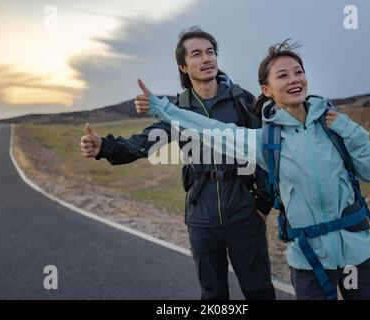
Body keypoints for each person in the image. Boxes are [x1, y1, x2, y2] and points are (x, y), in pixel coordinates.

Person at [137, 39, 370, 300]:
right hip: (310, 261)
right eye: (283, 75)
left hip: (357, 255)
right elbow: (210, 129)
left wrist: (351, 131)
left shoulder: (334, 126)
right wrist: (162, 108)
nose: (294, 79)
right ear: (267, 89)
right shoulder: (264, 141)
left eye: (298, 72)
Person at [79, 27, 276, 300]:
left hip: (244, 215)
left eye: (211, 52)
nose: (207, 58)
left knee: (260, 292)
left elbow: (266, 154)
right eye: (197, 54)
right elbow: (144, 143)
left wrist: (263, 205)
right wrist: (105, 147)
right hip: (201, 219)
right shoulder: (178, 109)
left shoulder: (242, 101)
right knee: (213, 296)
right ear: (183, 66)